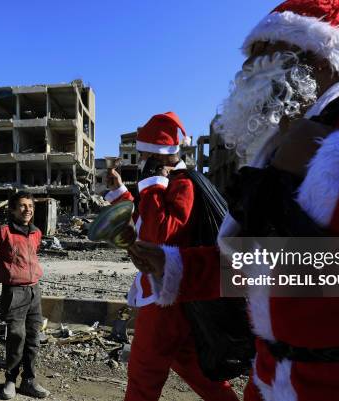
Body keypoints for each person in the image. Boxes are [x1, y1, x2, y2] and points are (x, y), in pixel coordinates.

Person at [128, 1, 339, 400]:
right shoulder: (276, 150)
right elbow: (294, 267)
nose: (245, 72)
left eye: (263, 55)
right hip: (279, 381)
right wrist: (177, 268)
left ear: (318, 58)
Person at [106, 112, 239, 401]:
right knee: (196, 371)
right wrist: (119, 191)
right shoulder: (163, 184)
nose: (140, 160)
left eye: (143, 155)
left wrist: (153, 184)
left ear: (157, 156)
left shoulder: (181, 184)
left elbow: (160, 235)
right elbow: (142, 221)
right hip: (172, 297)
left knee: (143, 377)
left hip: (163, 301)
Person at [0, 192, 50, 400]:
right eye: (22, 206)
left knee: (34, 338)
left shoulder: (36, 233)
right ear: (13, 210)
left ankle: (29, 380)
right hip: (14, 292)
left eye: (30, 206)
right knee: (17, 337)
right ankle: (10, 380)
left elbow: (32, 254)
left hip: (34, 290)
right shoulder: (2, 231)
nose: (27, 210)